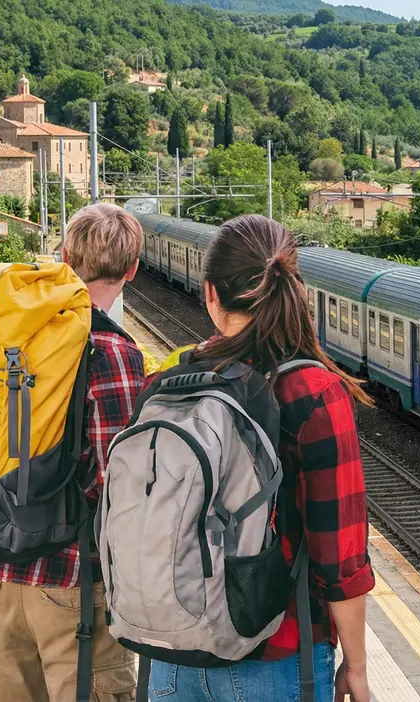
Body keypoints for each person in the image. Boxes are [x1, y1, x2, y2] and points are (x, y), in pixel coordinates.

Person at [147, 215, 374, 702]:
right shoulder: (312, 392)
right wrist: (357, 666)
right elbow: (340, 559)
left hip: (170, 655)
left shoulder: (168, 384)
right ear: (293, 289)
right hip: (275, 655)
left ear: (210, 294)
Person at [0, 203, 145, 701]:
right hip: (74, 581)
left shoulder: (11, 335)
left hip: (0, 575)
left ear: (66, 255)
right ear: (132, 269)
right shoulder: (112, 352)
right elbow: (117, 482)